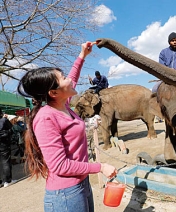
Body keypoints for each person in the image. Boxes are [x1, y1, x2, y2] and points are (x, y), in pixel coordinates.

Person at [17, 42, 117, 212]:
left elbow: (74, 77)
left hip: (81, 184)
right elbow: (60, 166)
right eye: (63, 79)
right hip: (66, 194)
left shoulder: (64, 106)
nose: (69, 79)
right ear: (53, 93)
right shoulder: (46, 117)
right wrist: (100, 167)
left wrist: (82, 56)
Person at [0, 108, 16, 188]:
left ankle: (2, 181)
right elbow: (12, 129)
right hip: (4, 143)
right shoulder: (3, 120)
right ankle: (7, 181)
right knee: (6, 161)